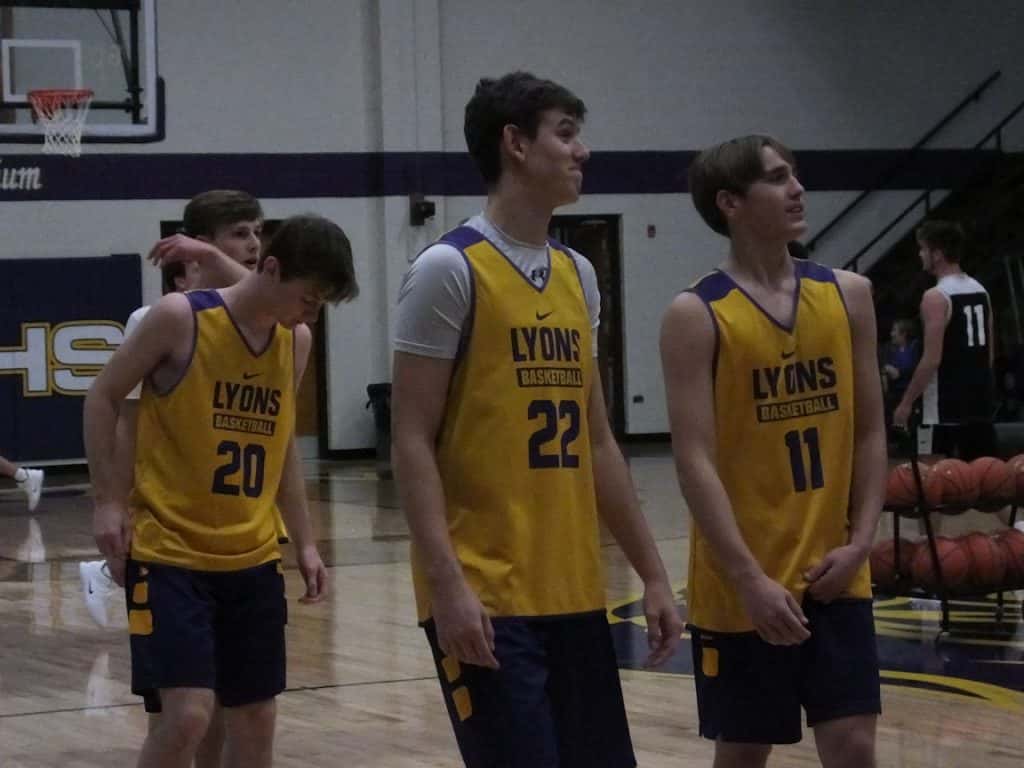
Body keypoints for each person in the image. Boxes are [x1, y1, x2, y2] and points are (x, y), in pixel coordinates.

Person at [391, 71, 682, 768]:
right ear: (516, 144)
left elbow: (599, 440)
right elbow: (409, 439)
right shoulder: (448, 268)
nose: (583, 151)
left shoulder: (578, 274)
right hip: (485, 592)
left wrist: (653, 573)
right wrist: (447, 585)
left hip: (573, 587)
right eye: (566, 133)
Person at [84, 213, 358, 768]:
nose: (311, 313)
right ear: (273, 270)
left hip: (252, 557)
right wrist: (108, 501)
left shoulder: (294, 341)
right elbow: (102, 396)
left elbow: (281, 447)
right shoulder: (178, 318)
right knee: (186, 715)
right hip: (169, 554)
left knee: (255, 722)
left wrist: (305, 542)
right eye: (309, 298)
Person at [660, 135, 885, 767]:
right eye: (778, 178)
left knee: (854, 747)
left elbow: (871, 432)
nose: (797, 189)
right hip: (743, 584)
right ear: (730, 202)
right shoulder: (696, 314)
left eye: (796, 174)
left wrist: (862, 541)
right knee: (743, 754)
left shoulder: (849, 295)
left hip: (836, 571)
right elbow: (694, 461)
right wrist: (747, 579)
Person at [80, 190, 277, 630]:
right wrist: (114, 502)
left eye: (258, 232)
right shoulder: (160, 318)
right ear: (200, 246)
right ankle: (107, 572)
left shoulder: (266, 324)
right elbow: (126, 423)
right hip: (169, 525)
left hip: (242, 522)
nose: (253, 244)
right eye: (240, 233)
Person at [892, 220, 995, 460]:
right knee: (984, 475)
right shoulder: (981, 290)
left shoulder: (936, 297)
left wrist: (906, 402)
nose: (920, 254)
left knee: (940, 477)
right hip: (980, 403)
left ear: (937, 254)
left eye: (923, 249)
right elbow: (989, 353)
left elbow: (931, 359)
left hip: (945, 407)